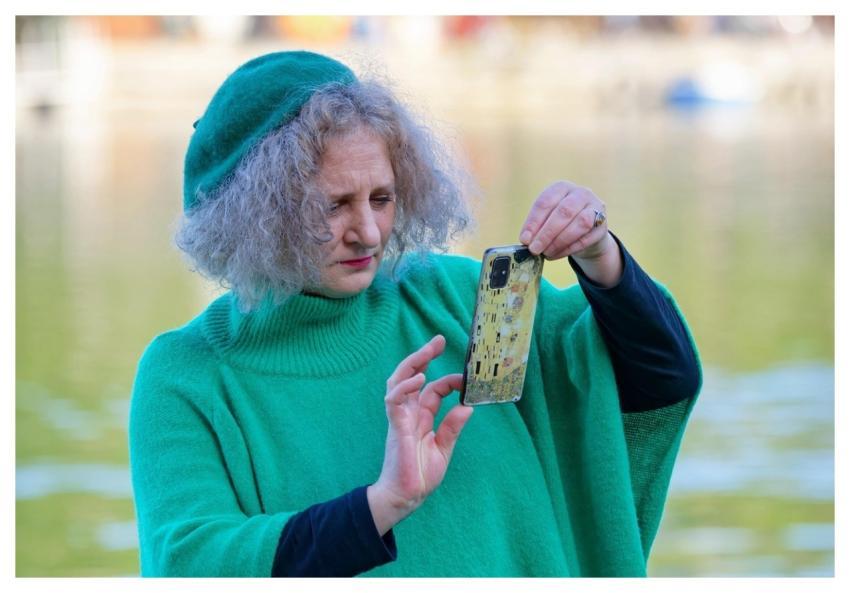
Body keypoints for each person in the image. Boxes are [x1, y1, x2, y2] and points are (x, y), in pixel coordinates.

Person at [129, 50, 702, 577]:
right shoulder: (186, 375)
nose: (369, 231)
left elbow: (656, 385)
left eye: (381, 197)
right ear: (254, 213)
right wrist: (383, 503)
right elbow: (193, 564)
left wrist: (601, 257)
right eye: (334, 206)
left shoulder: (456, 295)